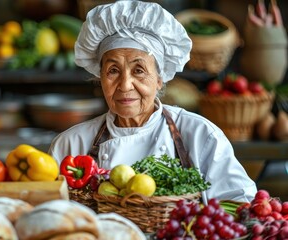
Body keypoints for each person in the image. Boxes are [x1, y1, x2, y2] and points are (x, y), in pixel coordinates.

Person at [48, 0, 257, 203]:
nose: (125, 85)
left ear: (159, 79)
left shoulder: (200, 135)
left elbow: (240, 204)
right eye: (113, 71)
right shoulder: (70, 145)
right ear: (100, 78)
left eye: (138, 70)